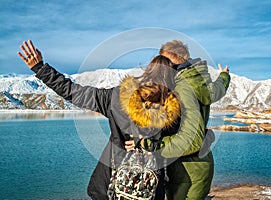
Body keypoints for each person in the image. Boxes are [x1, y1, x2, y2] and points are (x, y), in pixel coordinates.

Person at [17, 40, 182, 200]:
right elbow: (184, 142)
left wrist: (39, 67)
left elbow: (71, 90)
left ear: (147, 72)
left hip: (110, 181)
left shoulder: (116, 97)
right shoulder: (174, 112)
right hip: (148, 187)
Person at [125, 40, 230, 199]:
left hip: (187, 169)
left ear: (172, 61)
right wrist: (224, 76)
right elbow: (217, 90)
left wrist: (148, 144)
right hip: (198, 164)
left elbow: (191, 139)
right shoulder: (198, 80)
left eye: (163, 62)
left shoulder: (182, 87)